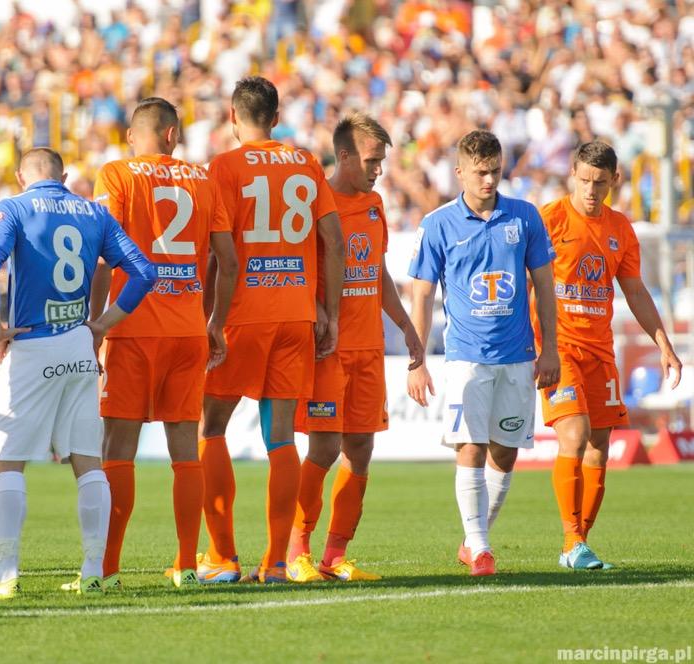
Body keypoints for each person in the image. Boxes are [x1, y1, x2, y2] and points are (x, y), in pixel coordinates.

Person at [0, 148, 155, 598]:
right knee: (88, 461)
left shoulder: (13, 207)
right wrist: (103, 324)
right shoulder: (95, 212)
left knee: (6, 462)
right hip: (78, 345)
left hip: (32, 344)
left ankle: (6, 577)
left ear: (21, 177)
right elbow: (144, 272)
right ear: (64, 176)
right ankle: (92, 572)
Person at [198, 76, 345, 584]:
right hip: (297, 313)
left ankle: (223, 557)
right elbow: (334, 241)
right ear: (276, 118)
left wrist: (210, 318)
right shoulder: (306, 162)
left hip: (242, 314)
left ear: (232, 117)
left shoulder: (225, 166)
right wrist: (329, 312)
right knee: (281, 437)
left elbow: (220, 254)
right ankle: (277, 562)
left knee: (210, 426)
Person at [89, 97, 238, 589]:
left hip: (132, 328)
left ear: (137, 135)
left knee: (118, 449)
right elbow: (228, 261)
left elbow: (103, 257)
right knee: (185, 451)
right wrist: (215, 322)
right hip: (188, 331)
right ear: (173, 135)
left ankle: (108, 570)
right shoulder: (203, 179)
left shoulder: (116, 175)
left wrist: (96, 323)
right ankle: (187, 566)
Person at [407, 129, 560, 577]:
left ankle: (473, 540)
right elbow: (421, 296)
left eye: (495, 171)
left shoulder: (525, 216)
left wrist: (549, 349)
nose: (489, 180)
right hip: (465, 356)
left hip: (518, 355)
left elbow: (544, 286)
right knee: (470, 446)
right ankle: (480, 548)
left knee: (506, 452)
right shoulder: (437, 224)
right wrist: (417, 361)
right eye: (480, 173)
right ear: (460, 172)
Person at [287, 113, 425, 583]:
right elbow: (301, 273)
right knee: (324, 447)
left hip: (369, 348)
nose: (378, 170)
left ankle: (335, 556)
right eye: (371, 161)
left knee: (360, 449)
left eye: (381, 161)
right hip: (328, 350)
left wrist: (405, 325)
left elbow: (377, 273)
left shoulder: (375, 204)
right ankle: (296, 550)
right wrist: (318, 317)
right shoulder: (314, 205)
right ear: (343, 155)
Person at [538, 141, 682, 570]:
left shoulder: (620, 228)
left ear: (614, 181)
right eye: (584, 180)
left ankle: (578, 544)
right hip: (559, 348)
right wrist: (534, 346)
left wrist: (664, 344)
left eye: (599, 182)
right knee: (574, 433)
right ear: (572, 174)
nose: (590, 190)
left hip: (600, 352)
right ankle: (572, 541)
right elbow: (526, 281)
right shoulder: (549, 219)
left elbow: (634, 291)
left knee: (599, 446)